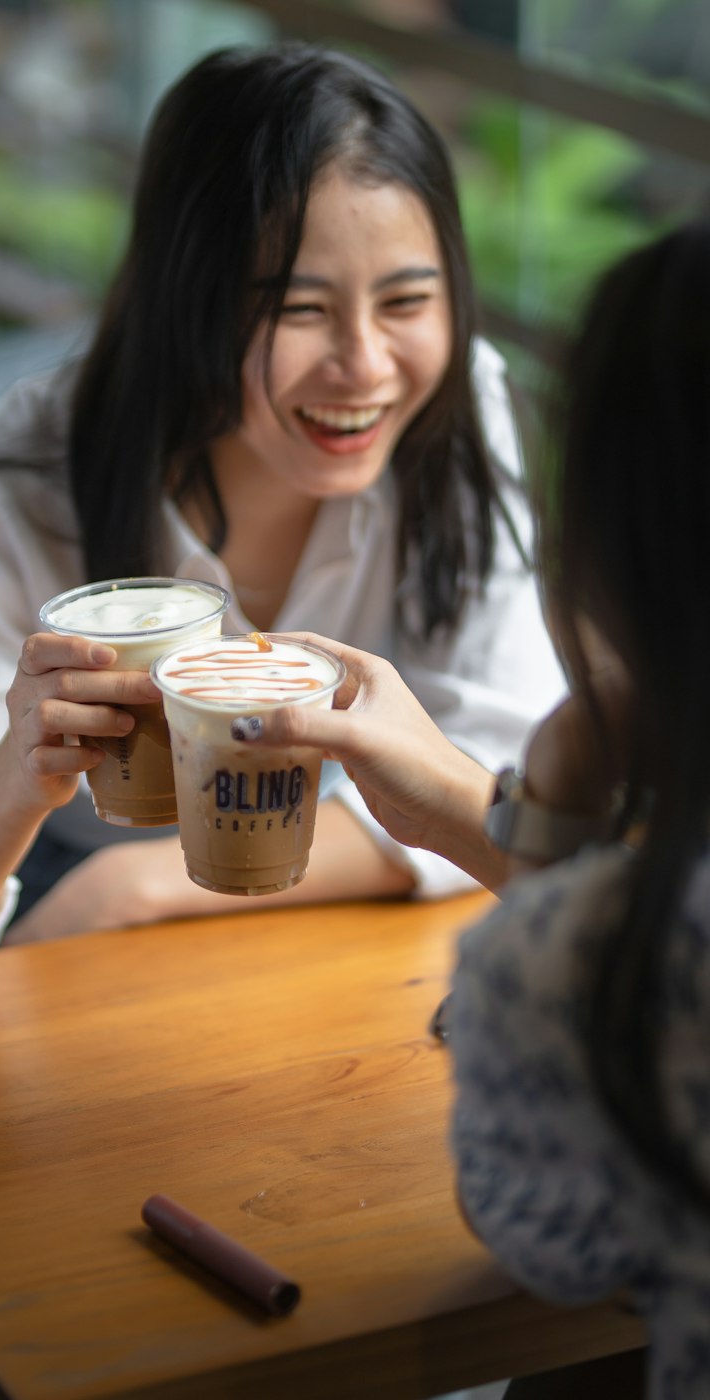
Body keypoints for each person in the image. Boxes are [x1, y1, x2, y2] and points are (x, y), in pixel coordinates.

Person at [0, 42, 564, 993]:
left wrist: (140, 885)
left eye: (408, 301)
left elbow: (495, 777)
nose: (368, 365)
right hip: (45, 914)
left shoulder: (460, 409)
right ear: (189, 302)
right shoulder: (21, 488)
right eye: (301, 310)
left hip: (322, 920)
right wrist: (23, 778)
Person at [236, 218, 710, 1397]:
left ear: (601, 540)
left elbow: (540, 1233)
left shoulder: (577, 959)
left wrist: (546, 838)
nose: (358, 359)